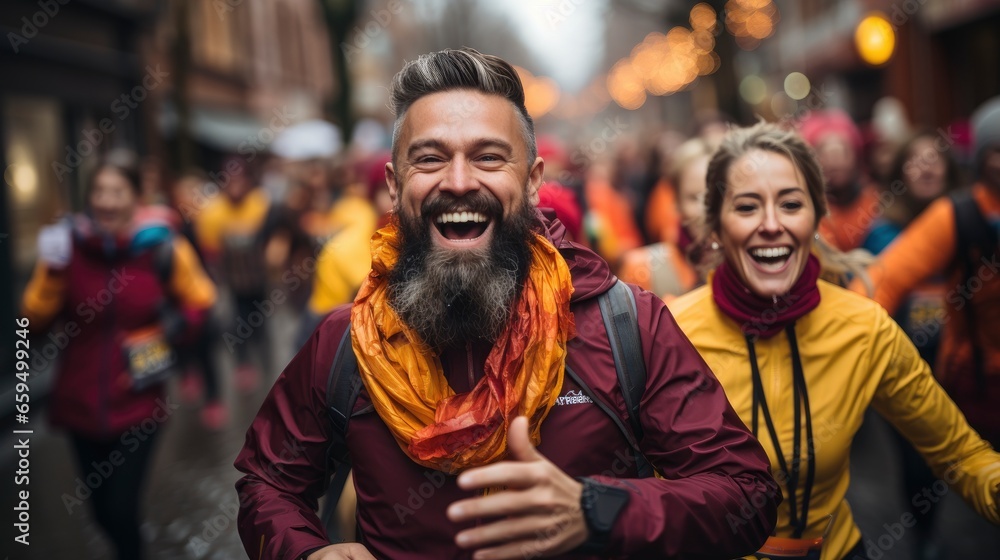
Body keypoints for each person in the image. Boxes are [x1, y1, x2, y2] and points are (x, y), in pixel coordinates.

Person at [235, 48, 778, 560]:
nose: (459, 181)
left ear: (534, 180)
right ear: (395, 187)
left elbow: (747, 496)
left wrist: (599, 510)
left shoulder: (626, 325)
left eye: (488, 157)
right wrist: (307, 550)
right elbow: (268, 481)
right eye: (430, 159)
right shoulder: (347, 342)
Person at [668, 121, 1000, 560]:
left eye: (790, 204)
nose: (771, 224)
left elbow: (962, 454)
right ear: (714, 225)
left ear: (816, 217)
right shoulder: (669, 334)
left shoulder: (864, 329)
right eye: (747, 207)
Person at [20, 155, 216, 559]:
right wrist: (54, 275)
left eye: (117, 191)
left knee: (121, 509)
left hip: (139, 401)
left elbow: (201, 300)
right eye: (99, 192)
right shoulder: (68, 248)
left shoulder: (162, 248)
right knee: (99, 513)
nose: (106, 201)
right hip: (79, 403)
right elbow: (32, 320)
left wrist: (172, 330)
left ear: (136, 198)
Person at [854, 96, 1000, 448]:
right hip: (971, 379)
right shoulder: (954, 216)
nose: (926, 169)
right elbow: (878, 284)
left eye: (934, 160)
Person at [619, 137, 715, 302]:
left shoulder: (749, 264)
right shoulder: (644, 268)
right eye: (694, 198)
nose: (705, 209)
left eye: (715, 195)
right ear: (677, 203)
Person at [799, 109, 880, 251]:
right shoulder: (804, 209)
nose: (835, 160)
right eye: (825, 153)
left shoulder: (878, 203)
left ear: (856, 155)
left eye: (843, 151)